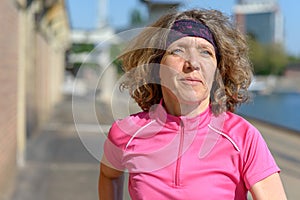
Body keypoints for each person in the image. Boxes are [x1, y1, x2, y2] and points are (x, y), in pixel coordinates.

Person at [98, 9, 287, 200]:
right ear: (156, 67)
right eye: (178, 50)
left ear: (218, 71)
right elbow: (109, 175)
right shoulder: (127, 133)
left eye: (205, 52)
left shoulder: (243, 138)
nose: (193, 63)